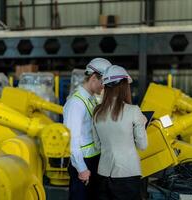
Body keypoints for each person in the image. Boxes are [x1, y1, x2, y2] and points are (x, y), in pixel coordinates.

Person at [92, 65, 148, 200]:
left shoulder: (97, 112)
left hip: (103, 174)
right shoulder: (133, 111)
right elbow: (142, 145)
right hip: (127, 174)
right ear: (124, 86)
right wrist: (142, 123)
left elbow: (97, 146)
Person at [63, 58, 112, 200]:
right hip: (83, 163)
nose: (104, 86)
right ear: (93, 78)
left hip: (92, 160)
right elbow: (72, 139)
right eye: (103, 82)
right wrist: (81, 168)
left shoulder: (91, 99)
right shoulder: (76, 103)